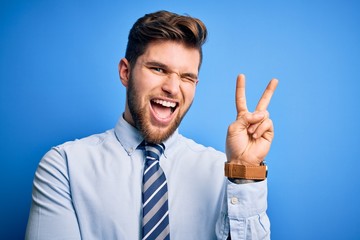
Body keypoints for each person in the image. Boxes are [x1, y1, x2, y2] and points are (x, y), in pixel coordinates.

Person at [25, 10, 278, 240]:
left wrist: (244, 173)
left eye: (186, 77)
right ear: (126, 72)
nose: (172, 87)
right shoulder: (65, 166)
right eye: (158, 69)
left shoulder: (223, 174)